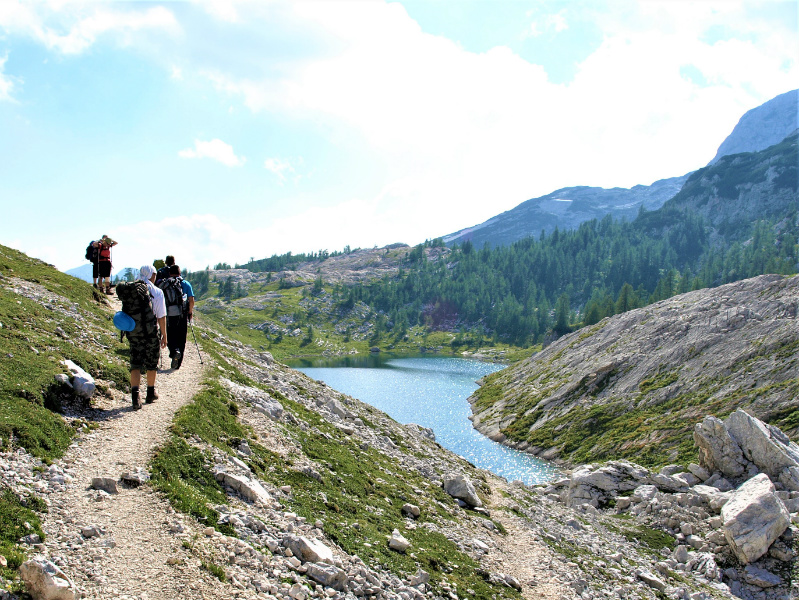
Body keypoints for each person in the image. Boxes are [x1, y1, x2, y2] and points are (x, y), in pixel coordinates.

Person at [128, 265, 167, 409]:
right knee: (151, 363)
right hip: (151, 332)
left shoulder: (132, 290)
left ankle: (135, 396)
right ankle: (150, 392)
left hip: (134, 332)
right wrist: (164, 335)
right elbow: (161, 316)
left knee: (135, 363)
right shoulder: (157, 292)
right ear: (152, 275)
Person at [159, 264, 195, 370]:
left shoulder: (165, 283)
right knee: (181, 337)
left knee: (170, 335)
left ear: (170, 273)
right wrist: (190, 311)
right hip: (182, 314)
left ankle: (174, 351)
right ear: (180, 273)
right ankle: (178, 363)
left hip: (169, 314)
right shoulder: (185, 283)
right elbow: (191, 300)